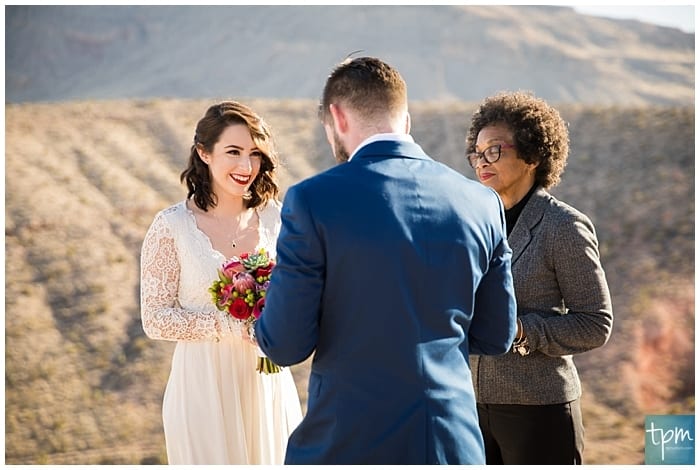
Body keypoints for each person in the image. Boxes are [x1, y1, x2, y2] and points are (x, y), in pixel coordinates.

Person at [254, 56, 517, 465]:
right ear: (405, 121)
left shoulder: (312, 200)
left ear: (337, 118)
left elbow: (285, 345)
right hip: (452, 446)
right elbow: (496, 335)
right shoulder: (482, 203)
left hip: (348, 444)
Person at [139, 101, 302, 464]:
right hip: (201, 387)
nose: (246, 166)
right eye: (233, 152)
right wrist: (229, 325)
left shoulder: (278, 218)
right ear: (204, 153)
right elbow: (155, 318)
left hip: (268, 383)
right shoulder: (171, 228)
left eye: (254, 154)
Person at [464, 91, 614, 464]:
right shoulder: (472, 223)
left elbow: (596, 324)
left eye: (494, 150)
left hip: (538, 411)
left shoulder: (563, 226)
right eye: (477, 153)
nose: (483, 161)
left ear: (532, 155)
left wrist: (521, 331)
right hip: (469, 409)